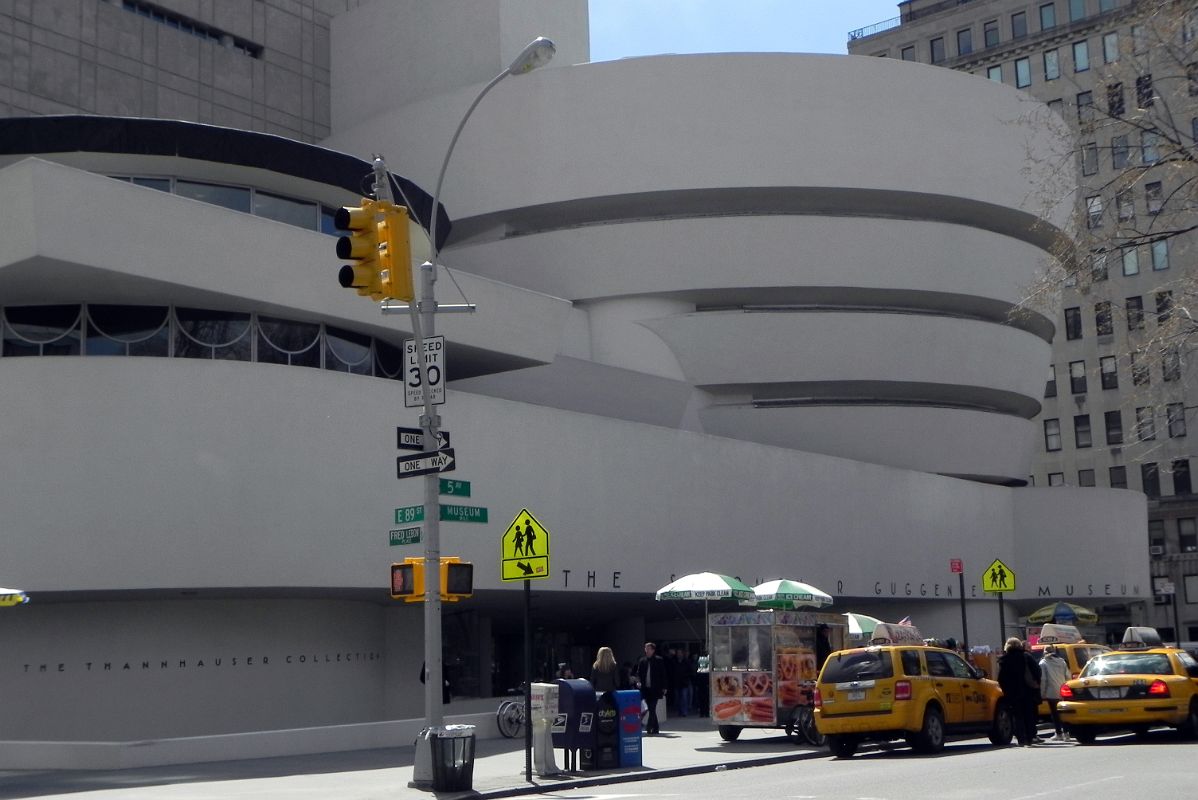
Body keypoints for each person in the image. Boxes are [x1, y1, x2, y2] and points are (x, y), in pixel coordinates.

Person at [997, 637, 1041, 745]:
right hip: (1028, 691)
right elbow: (1037, 671)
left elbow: (1001, 678)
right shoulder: (1026, 657)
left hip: (1013, 693)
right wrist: (1036, 683)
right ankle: (1030, 737)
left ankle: (1021, 738)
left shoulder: (1004, 660)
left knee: (1017, 715)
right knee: (1029, 714)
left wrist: (1006, 691)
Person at [634, 641, 668, 734]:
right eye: (646, 648)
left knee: (652, 708)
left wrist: (664, 687)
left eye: (648, 649)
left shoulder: (659, 660)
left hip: (656, 689)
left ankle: (649, 728)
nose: (646, 650)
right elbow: (638, 673)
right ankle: (656, 728)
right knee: (650, 708)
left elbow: (663, 674)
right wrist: (638, 681)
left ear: (653, 650)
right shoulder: (642, 661)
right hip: (646, 689)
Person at [1038, 644, 1071, 741]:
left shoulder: (1043, 663)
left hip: (1051, 691)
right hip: (1062, 691)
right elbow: (1068, 676)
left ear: (1045, 652)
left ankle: (1058, 733)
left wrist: (1042, 693)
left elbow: (1043, 679)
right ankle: (1066, 733)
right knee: (1063, 713)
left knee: (1054, 713)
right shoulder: (1062, 662)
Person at [673, 650, 693, 717]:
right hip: (676, 682)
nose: (679, 654)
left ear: (682, 654)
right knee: (677, 698)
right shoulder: (674, 662)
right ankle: (680, 711)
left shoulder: (686, 662)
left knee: (684, 697)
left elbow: (691, 671)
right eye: (678, 653)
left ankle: (684, 712)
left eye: (680, 653)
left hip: (684, 682)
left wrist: (685, 676)